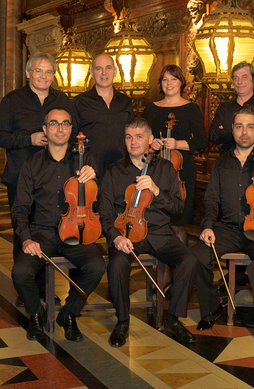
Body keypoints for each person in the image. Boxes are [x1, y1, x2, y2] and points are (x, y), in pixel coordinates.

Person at [99, 118, 199, 348]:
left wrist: (155, 190)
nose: (133, 142)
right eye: (128, 137)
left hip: (158, 232)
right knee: (117, 265)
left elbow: (177, 207)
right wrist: (116, 236)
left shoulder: (164, 168)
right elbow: (104, 211)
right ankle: (122, 321)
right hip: (125, 233)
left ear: (151, 141)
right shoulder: (115, 171)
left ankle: (173, 319)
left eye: (139, 137)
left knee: (189, 260)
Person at [192, 106, 254, 349]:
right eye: (239, 126)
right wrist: (208, 226)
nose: (245, 132)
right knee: (198, 255)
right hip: (230, 228)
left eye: (250, 126)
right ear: (232, 130)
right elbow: (211, 198)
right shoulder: (222, 162)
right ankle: (211, 308)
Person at [11, 108, 105, 342]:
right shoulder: (31, 165)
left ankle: (69, 314)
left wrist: (94, 179)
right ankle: (35, 313)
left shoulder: (85, 160)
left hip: (76, 232)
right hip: (41, 233)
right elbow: (20, 208)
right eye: (53, 123)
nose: (60, 128)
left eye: (65, 124)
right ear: (45, 129)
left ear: (71, 129)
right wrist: (26, 239)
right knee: (20, 272)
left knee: (96, 266)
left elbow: (99, 202)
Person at [0, 52, 74, 281]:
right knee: (23, 230)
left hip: (55, 180)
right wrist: (28, 139)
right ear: (28, 73)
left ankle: (46, 288)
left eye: (48, 72)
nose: (43, 76)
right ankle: (25, 286)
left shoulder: (63, 101)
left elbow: (74, 134)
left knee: (50, 233)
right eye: (38, 71)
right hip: (20, 177)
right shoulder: (12, 100)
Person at [143, 64, 206, 245]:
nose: (169, 83)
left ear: (181, 83)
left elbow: (201, 142)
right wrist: (151, 143)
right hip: (155, 171)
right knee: (156, 223)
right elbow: (142, 138)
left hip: (182, 173)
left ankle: (181, 269)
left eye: (174, 79)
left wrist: (178, 144)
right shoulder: (151, 109)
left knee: (178, 224)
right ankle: (161, 270)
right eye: (165, 79)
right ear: (160, 84)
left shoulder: (191, 108)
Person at [73, 54, 135, 179]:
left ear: (115, 71)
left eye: (108, 68)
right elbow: (71, 138)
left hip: (122, 170)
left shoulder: (126, 102)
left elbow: (133, 136)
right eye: (98, 68)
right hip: (89, 171)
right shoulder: (79, 102)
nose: (104, 72)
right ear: (91, 72)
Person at [208, 61, 254, 154]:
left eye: (244, 77)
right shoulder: (224, 107)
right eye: (236, 78)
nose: (239, 82)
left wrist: (225, 131)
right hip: (226, 163)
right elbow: (212, 135)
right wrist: (245, 132)